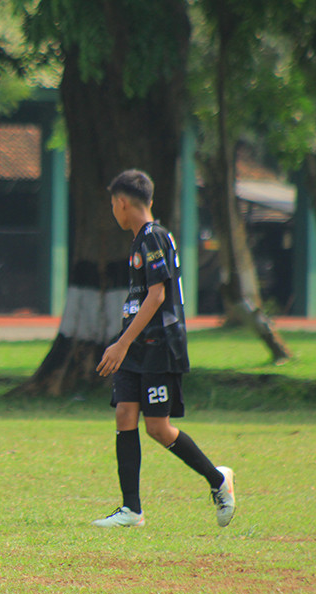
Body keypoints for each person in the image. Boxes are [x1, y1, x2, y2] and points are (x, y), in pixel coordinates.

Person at [94, 169, 235, 529]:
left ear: (123, 204)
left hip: (158, 346)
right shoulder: (140, 239)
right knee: (125, 414)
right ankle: (132, 510)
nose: (114, 210)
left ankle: (218, 480)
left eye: (113, 204)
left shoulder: (153, 237)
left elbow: (157, 295)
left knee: (158, 427)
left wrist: (121, 344)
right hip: (136, 346)